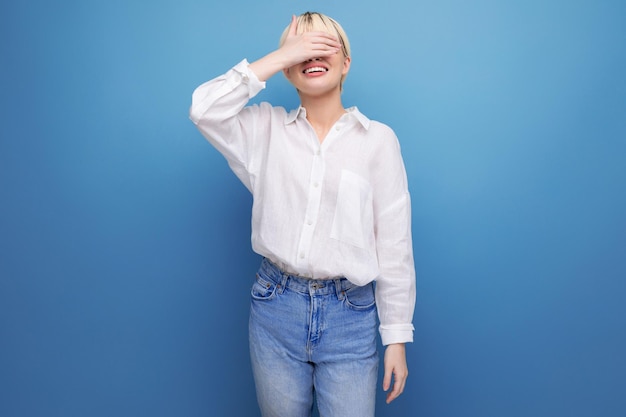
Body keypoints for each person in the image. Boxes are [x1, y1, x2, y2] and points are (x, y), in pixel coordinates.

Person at [189, 11, 416, 417]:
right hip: (276, 308)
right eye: (301, 49)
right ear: (289, 71)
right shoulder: (264, 131)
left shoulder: (379, 141)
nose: (312, 53)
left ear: (346, 62)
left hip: (352, 315)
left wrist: (396, 337)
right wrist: (277, 58)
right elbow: (204, 109)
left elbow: (395, 243)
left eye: (324, 45)